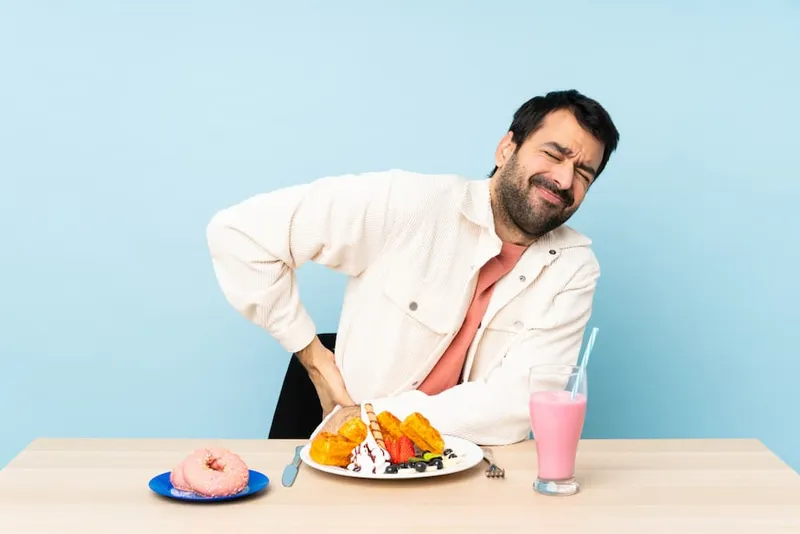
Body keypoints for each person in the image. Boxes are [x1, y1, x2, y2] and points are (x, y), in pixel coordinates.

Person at [206, 89, 619, 445]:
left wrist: (374, 417)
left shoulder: (574, 267)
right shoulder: (408, 204)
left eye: (584, 172)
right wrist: (314, 358)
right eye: (554, 153)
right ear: (506, 148)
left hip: (476, 475)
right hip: (352, 462)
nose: (565, 179)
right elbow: (238, 232)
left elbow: (520, 403)